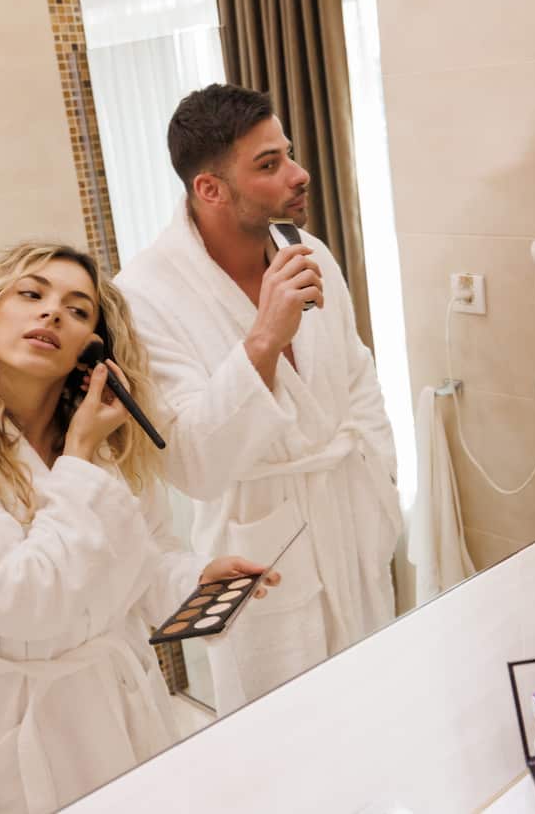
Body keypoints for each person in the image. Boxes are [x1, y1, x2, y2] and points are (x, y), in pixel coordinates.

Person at [0, 243, 277, 814]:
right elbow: (26, 599)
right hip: (21, 719)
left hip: (122, 701)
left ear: (94, 350)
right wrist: (79, 458)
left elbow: (142, 562)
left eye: (78, 310)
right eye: (31, 295)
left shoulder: (106, 447)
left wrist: (197, 576)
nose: (52, 314)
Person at [115, 84, 400, 712]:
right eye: (268, 165)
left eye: (288, 154)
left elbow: (357, 375)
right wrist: (265, 337)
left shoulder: (306, 249)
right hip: (262, 550)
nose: (298, 175)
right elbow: (190, 463)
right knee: (285, 737)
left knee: (375, 710)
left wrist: (380, 482)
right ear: (209, 189)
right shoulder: (142, 295)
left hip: (350, 516)